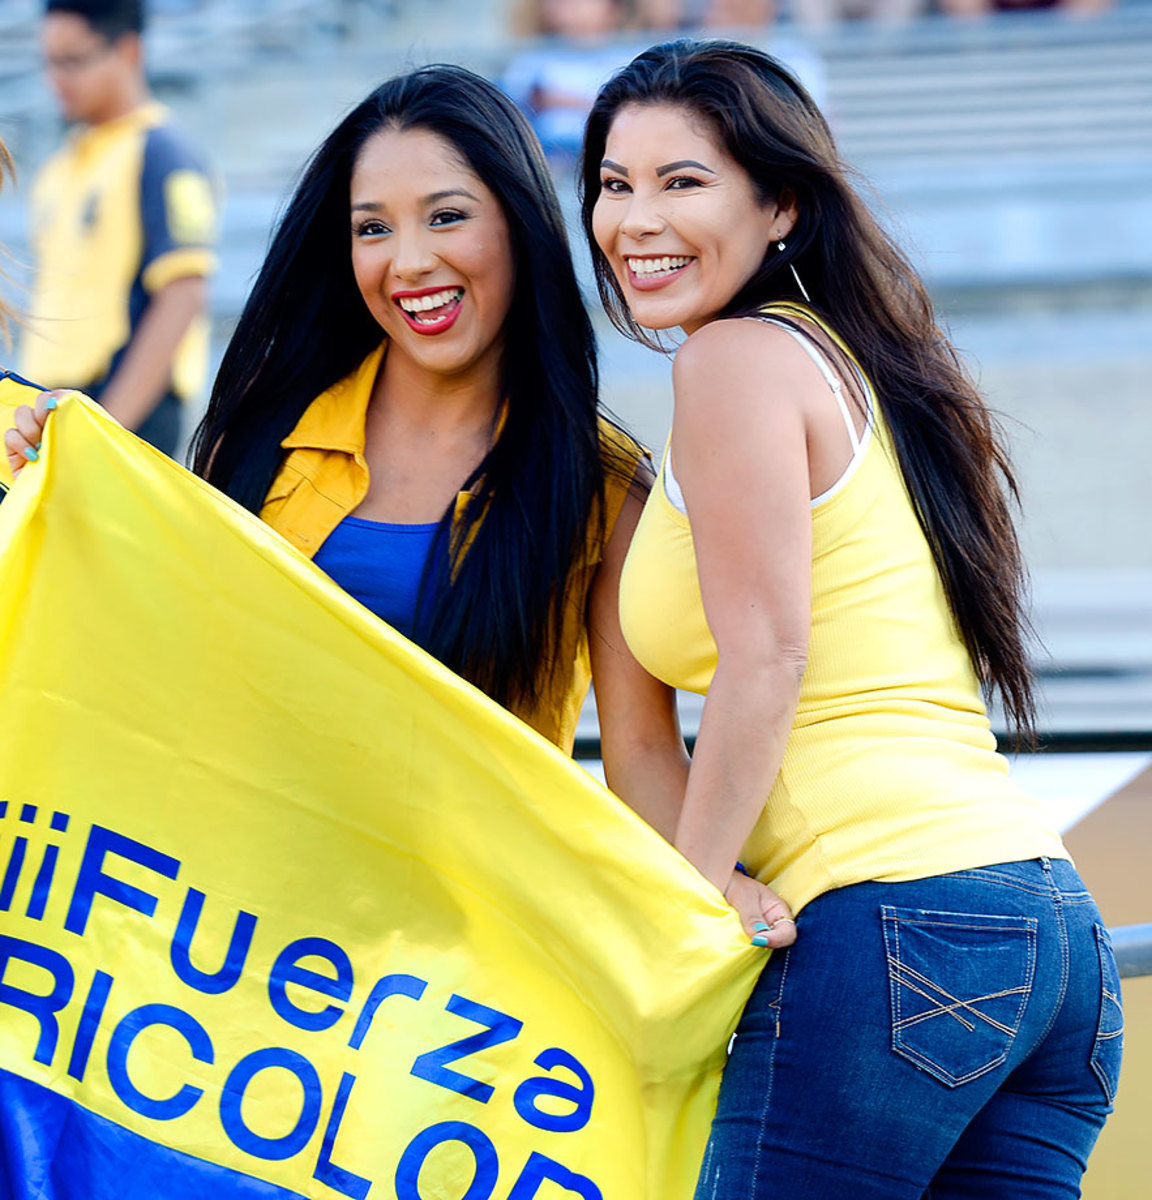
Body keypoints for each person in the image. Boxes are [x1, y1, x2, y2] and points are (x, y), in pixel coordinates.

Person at [4, 66, 797, 948]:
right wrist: (52, 482)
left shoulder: (601, 487)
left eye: (447, 216)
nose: (409, 261)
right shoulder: (265, 437)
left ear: (519, 226)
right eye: (372, 229)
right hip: (225, 929)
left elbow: (643, 756)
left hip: (438, 970)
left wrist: (719, 881)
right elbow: (166, 663)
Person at [581, 38, 1122, 1198]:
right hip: (1045, 928)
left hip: (892, 929)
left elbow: (765, 656)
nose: (635, 219)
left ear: (780, 203)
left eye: (684, 182)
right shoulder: (856, 364)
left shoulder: (732, 362)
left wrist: (688, 899)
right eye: (614, 184)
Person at [18, 0, 216, 457]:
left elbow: (183, 294)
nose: (56, 79)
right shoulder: (59, 166)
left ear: (127, 52)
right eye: (49, 62)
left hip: (120, 413)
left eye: (73, 60)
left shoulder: (164, 153)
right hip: (54, 406)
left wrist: (108, 429)